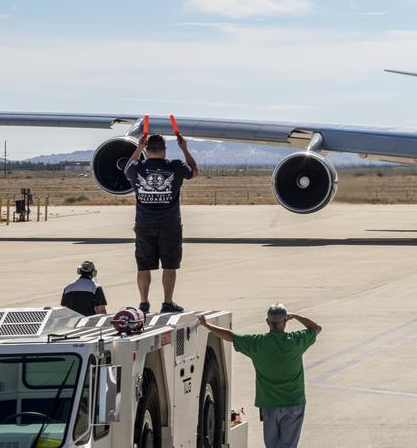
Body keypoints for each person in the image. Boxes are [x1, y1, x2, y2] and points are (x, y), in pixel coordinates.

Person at [199, 305, 321, 448]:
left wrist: (206, 324)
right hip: (293, 403)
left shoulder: (257, 343)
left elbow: (229, 335)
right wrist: (296, 316)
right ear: (285, 321)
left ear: (267, 322)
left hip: (269, 405)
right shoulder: (295, 341)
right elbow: (316, 328)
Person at [124, 132, 197, 314]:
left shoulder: (137, 168)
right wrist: (184, 149)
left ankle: (144, 303)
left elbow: (126, 170)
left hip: (144, 224)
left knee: (143, 266)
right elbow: (194, 171)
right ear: (165, 149)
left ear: (147, 150)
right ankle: (167, 302)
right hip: (169, 224)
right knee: (169, 266)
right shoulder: (176, 166)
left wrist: (138, 148)